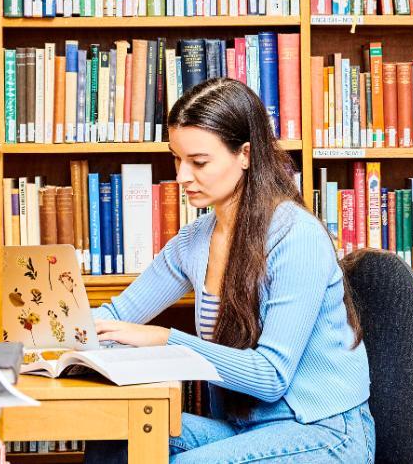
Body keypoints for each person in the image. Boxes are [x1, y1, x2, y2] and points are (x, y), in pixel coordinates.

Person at [86, 78, 374, 463]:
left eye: (199, 162)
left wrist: (163, 339)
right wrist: (52, 338)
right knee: (114, 435)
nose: (181, 176)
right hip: (247, 428)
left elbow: (271, 377)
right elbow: (118, 316)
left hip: (324, 432)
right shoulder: (195, 241)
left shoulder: (297, 237)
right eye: (177, 158)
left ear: (245, 154)